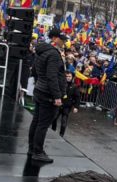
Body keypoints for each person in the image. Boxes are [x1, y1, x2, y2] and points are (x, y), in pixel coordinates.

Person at [28, 29, 67, 164]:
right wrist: (57, 96)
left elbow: (35, 70)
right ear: (55, 38)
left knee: (36, 121)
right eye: (62, 39)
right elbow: (52, 76)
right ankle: (38, 152)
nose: (64, 42)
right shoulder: (53, 54)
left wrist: (39, 83)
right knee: (42, 124)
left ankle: (32, 148)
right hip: (48, 94)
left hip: (40, 90)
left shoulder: (41, 50)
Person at [51, 71, 80, 137]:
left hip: (67, 106)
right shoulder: (60, 84)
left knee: (64, 121)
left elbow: (77, 97)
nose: (68, 78)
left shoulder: (74, 86)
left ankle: (61, 135)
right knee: (54, 118)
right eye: (66, 76)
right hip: (59, 104)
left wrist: (76, 107)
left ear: (72, 77)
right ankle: (53, 130)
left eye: (69, 76)